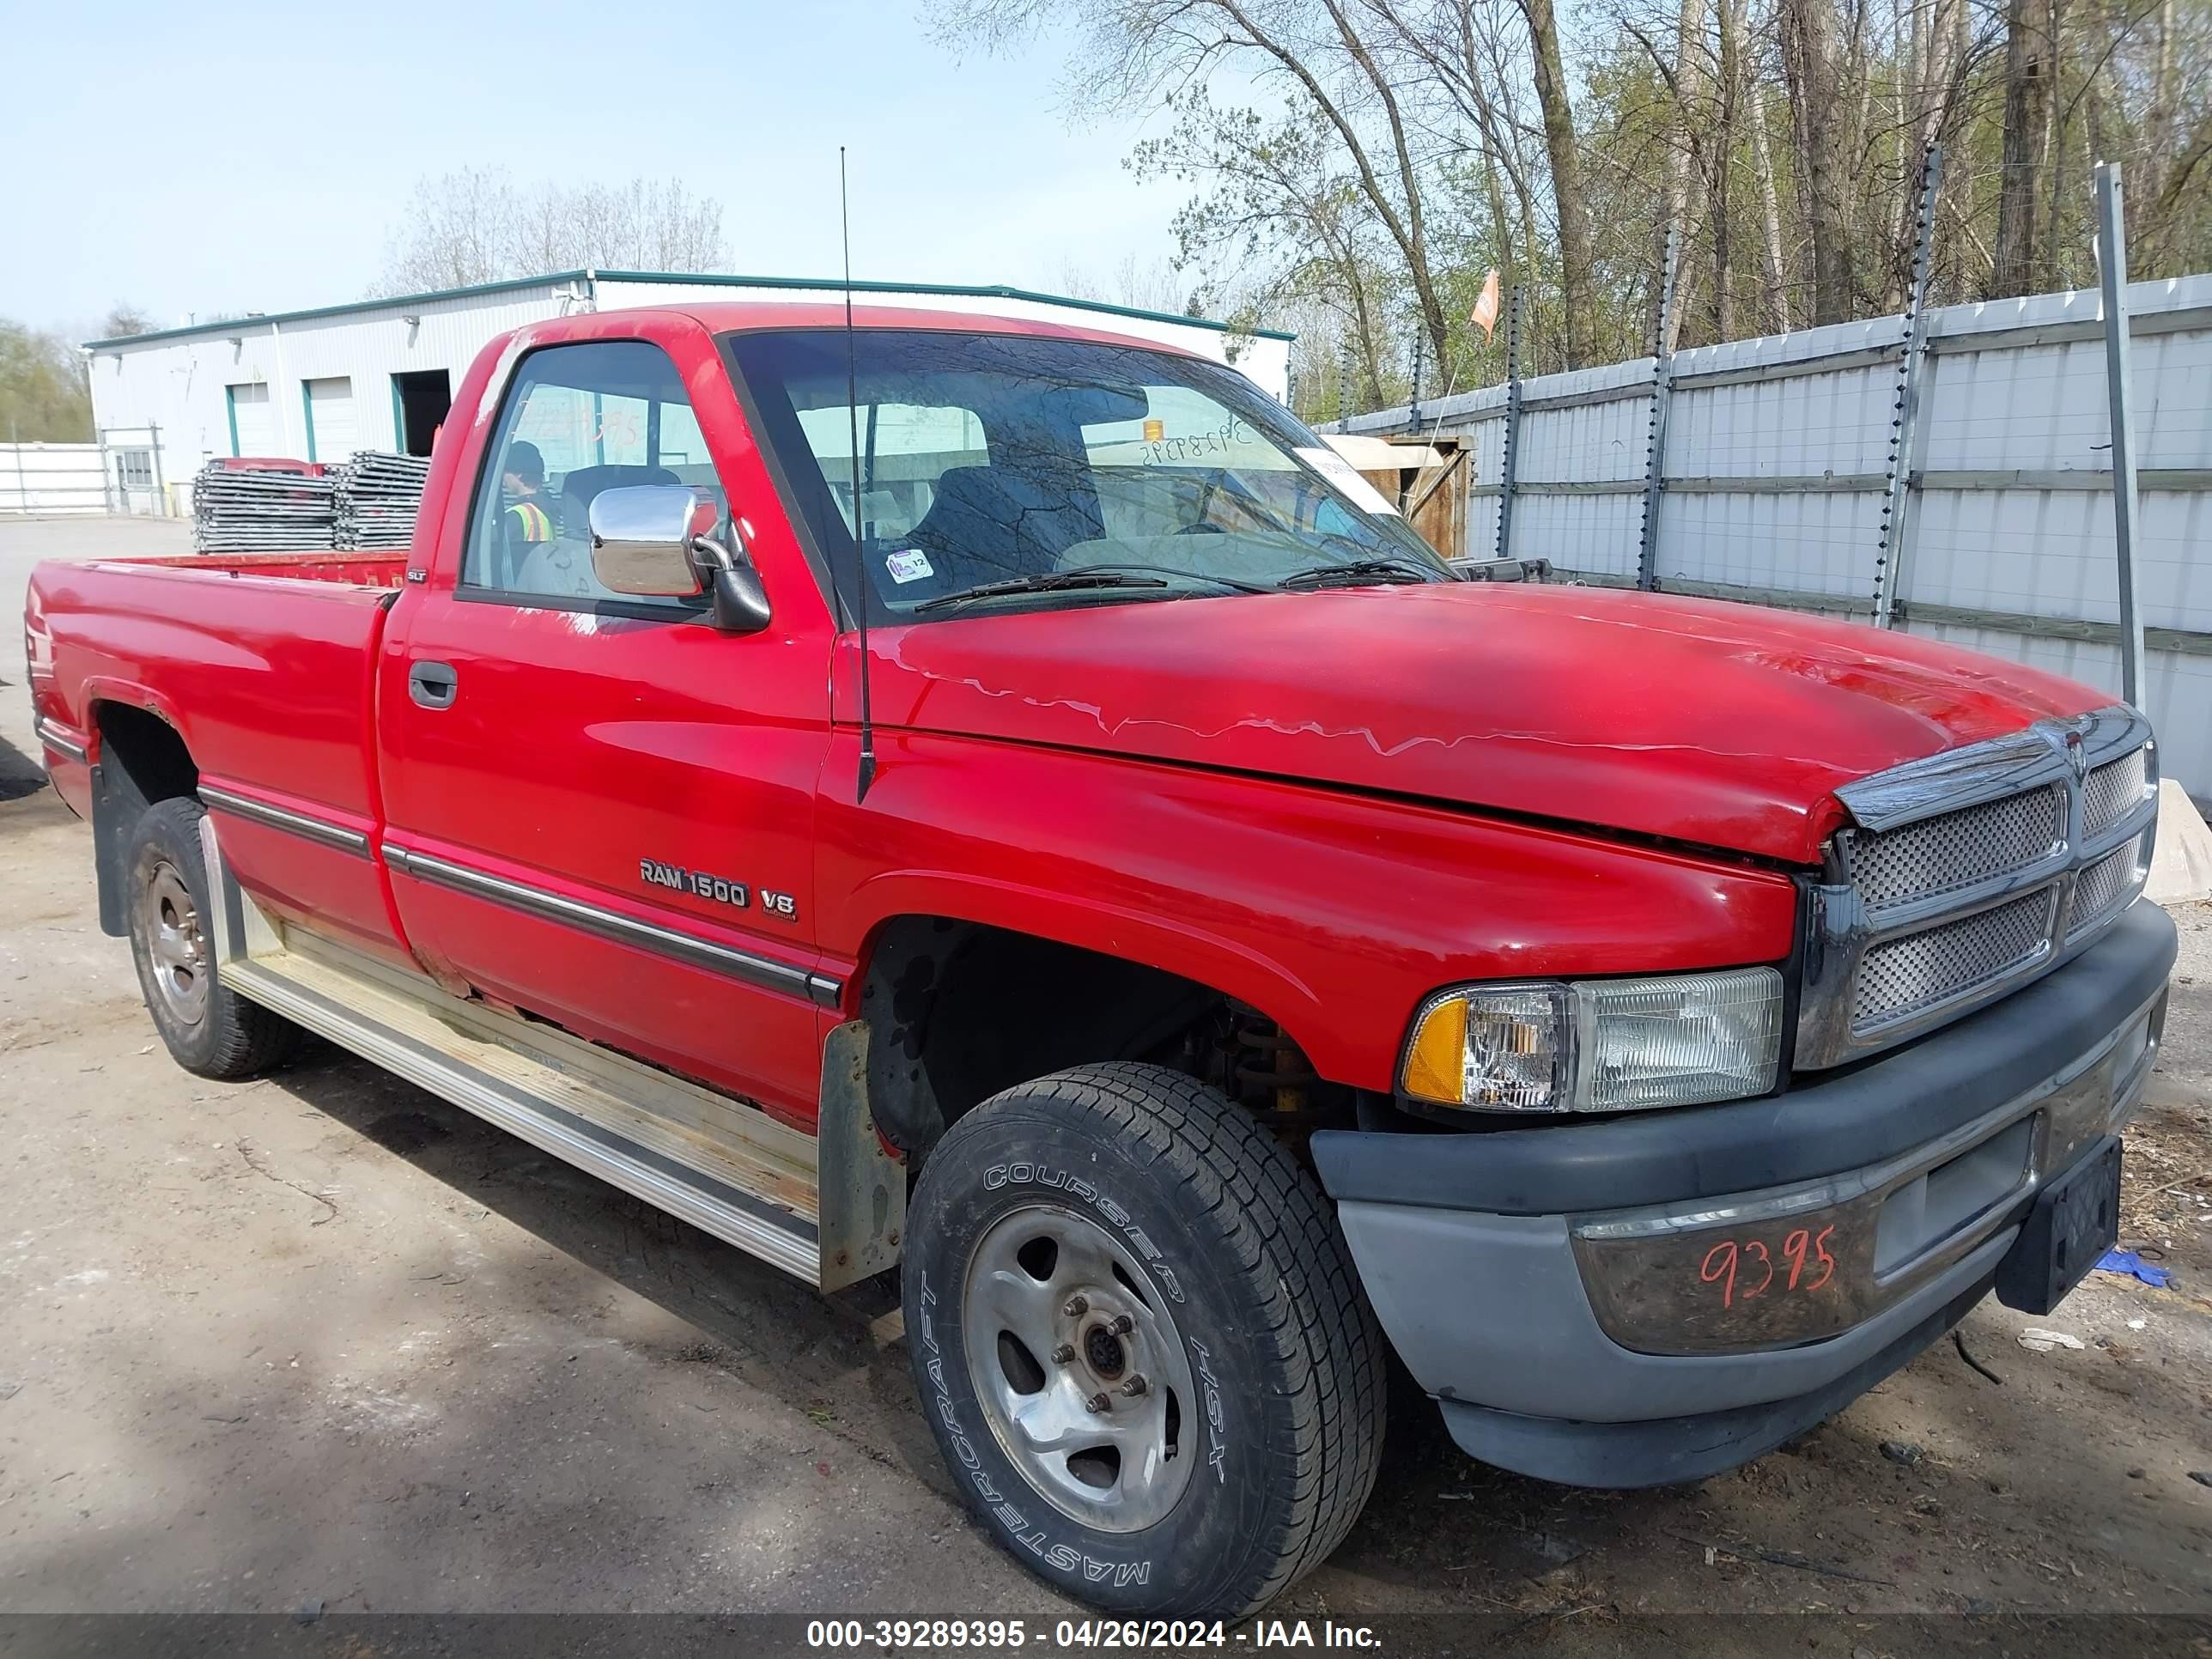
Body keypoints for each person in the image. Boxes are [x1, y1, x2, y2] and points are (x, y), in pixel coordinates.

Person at [499, 441, 554, 583]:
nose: (503, 479)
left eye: (505, 472)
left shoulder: (517, 515)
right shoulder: (548, 508)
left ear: (518, 474)